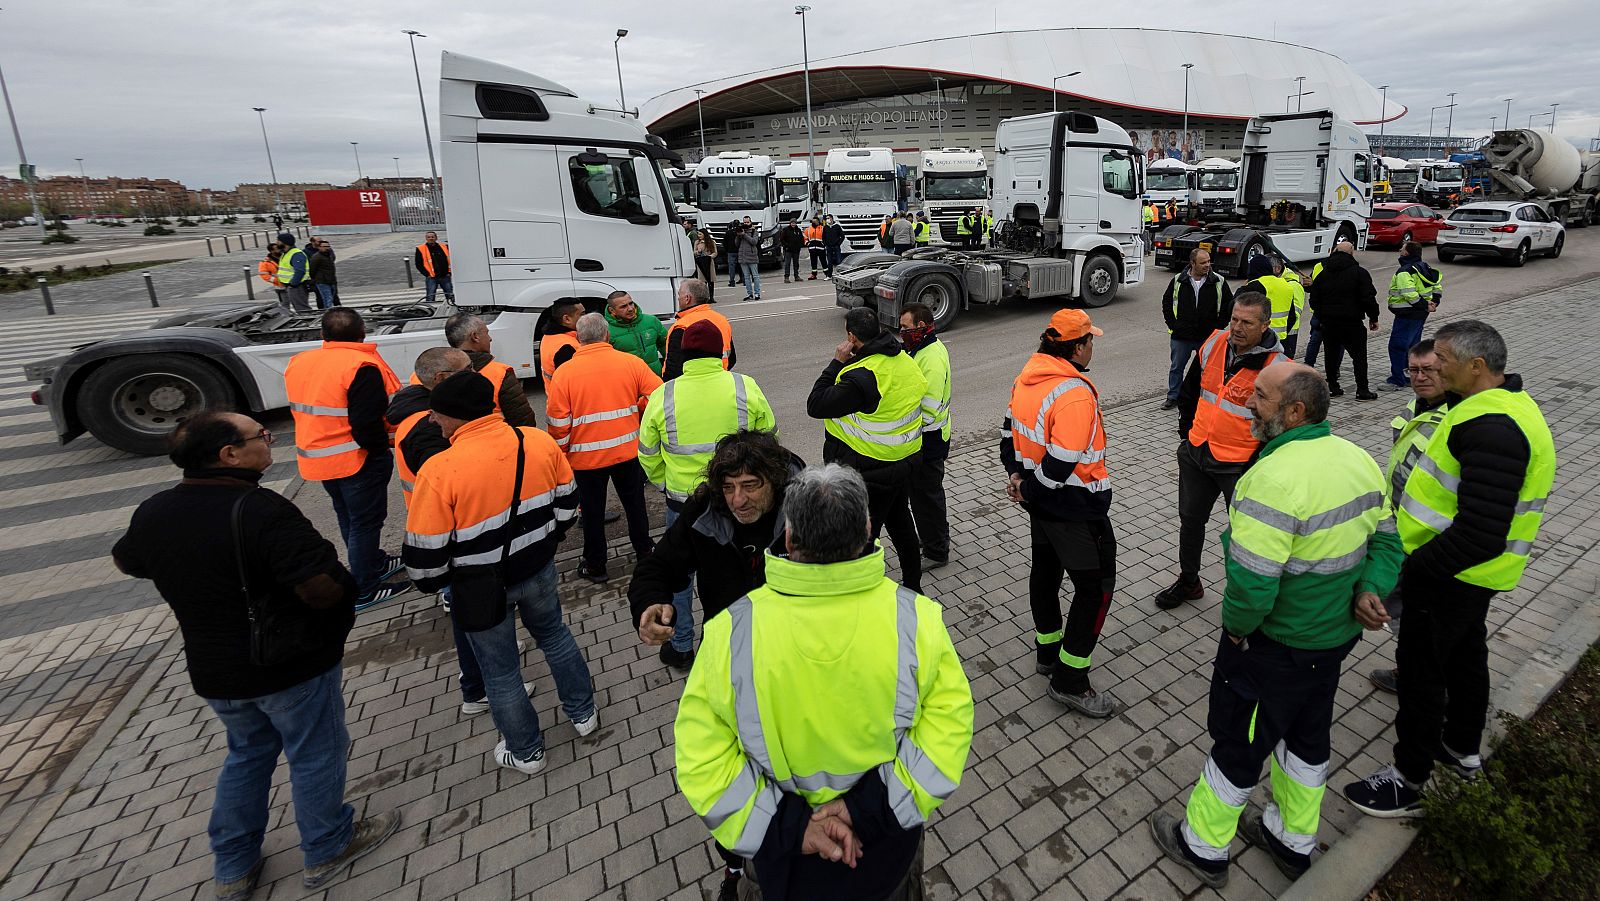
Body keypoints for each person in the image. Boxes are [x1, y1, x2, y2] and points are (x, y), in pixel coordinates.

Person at [112, 412, 400, 898]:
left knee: (246, 755)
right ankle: (328, 845)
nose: (269, 441)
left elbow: (128, 560)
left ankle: (234, 867)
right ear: (229, 454)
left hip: (215, 669)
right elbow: (321, 587)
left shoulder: (156, 510)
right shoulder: (261, 510)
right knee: (315, 752)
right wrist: (345, 602)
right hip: (287, 664)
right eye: (260, 436)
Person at [1151, 363, 1402, 888]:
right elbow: (1386, 539)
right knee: (1307, 740)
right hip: (1333, 642)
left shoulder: (1270, 480)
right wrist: (1370, 588)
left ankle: (1202, 847)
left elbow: (1252, 588)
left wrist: (1237, 631)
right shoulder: (1358, 459)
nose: (1248, 403)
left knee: (1239, 742)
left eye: (1260, 397)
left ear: (1294, 411)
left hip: (1274, 647)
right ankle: (1291, 840)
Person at [674, 464, 974, 901]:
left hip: (784, 869)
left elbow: (701, 757)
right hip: (885, 857)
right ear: (867, 530)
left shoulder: (731, 633)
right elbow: (949, 728)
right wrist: (868, 808)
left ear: (789, 537)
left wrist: (788, 827)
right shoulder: (916, 620)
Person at [1343, 320, 1555, 817]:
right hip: (1468, 578)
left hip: (1449, 577)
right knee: (1464, 660)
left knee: (1421, 676)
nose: (1433, 366)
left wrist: (1418, 570)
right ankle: (1461, 749)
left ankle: (1408, 781)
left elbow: (1481, 532)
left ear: (1476, 366)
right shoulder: (1494, 406)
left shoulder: (1492, 427)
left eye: (1442, 359)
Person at [402, 371, 599, 775]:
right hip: (538, 568)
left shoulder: (439, 471)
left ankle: (526, 752)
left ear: (455, 416)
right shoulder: (537, 441)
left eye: (436, 414)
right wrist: (543, 543)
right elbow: (568, 508)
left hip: (478, 587)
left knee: (501, 671)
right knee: (555, 637)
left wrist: (445, 585)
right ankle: (584, 714)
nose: (433, 421)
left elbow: (425, 562)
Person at [632, 430, 800, 898]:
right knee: (731, 769)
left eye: (750, 486)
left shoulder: (805, 507)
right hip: (727, 664)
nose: (738, 500)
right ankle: (736, 863)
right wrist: (649, 603)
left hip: (793, 666)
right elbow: (657, 566)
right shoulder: (705, 511)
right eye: (729, 487)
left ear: (774, 480)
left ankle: (792, 847)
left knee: (789, 767)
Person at [386, 348, 536, 715]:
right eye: (468, 369)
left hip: (464, 537)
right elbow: (456, 484)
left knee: (478, 613)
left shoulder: (422, 415)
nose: (476, 373)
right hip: (458, 542)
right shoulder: (427, 428)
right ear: (441, 380)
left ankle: (489, 661)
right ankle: (477, 688)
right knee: (470, 617)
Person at [1001, 308, 1121, 718]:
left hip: (1041, 506)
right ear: (1077, 347)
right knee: (1096, 587)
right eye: (1090, 341)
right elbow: (1062, 461)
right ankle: (1070, 681)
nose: (1092, 348)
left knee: (1046, 574)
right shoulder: (1073, 393)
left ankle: (1048, 653)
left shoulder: (1026, 377)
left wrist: (1018, 479)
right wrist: (1029, 488)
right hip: (1075, 508)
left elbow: (1007, 435)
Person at [638, 321, 777, 669]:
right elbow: (770, 438)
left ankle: (680, 642)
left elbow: (647, 452)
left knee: (679, 577)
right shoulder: (744, 385)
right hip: (741, 504)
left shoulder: (663, 395)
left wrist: (665, 484)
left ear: (684, 355)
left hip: (682, 501)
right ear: (721, 353)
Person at [1154, 292, 1285, 610]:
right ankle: (1189, 581)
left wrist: (1255, 464)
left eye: (1247, 322)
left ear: (1265, 325)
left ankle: (1247, 600)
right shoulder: (1214, 343)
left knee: (1246, 534)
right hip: (1197, 452)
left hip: (1240, 466)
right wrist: (1187, 436)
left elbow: (1279, 428)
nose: (1237, 328)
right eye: (1234, 319)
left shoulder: (1278, 368)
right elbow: (1190, 392)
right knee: (1190, 522)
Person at [284, 308, 405, 607]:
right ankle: (365, 587)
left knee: (348, 516)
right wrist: (380, 449)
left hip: (318, 458)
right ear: (362, 332)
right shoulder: (361, 366)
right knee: (366, 522)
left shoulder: (300, 361)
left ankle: (373, 563)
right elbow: (366, 422)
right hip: (356, 459)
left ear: (323, 334)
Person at [806, 307, 929, 593]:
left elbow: (816, 404)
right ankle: (913, 586)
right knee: (901, 523)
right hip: (903, 461)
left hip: (870, 470)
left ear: (851, 337)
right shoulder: (903, 359)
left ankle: (861, 592)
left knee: (862, 536)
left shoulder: (862, 376)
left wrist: (836, 362)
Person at [546, 313, 663, 582]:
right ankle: (645, 551)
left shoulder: (564, 373)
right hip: (627, 451)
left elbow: (558, 422)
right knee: (635, 505)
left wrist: (562, 453)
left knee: (592, 512)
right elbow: (658, 395)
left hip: (585, 459)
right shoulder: (630, 363)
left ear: (578, 338)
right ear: (607, 335)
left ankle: (596, 564)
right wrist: (637, 410)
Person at [1367, 339, 1450, 696]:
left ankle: (1425, 683)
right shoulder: (1419, 405)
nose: (1419, 377)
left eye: (1428, 370)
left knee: (1422, 615)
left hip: (1431, 538)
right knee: (1407, 609)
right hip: (1404, 526)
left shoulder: (1455, 418)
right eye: (1413, 370)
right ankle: (1413, 670)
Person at [898, 302, 951, 570]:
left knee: (928, 499)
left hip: (928, 440)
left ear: (920, 326)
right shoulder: (920, 348)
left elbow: (928, 411)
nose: (901, 332)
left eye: (905, 327)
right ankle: (931, 538)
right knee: (922, 497)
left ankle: (937, 551)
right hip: (926, 439)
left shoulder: (930, 358)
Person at [1161, 249, 1234, 410]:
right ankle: (1173, 397)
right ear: (1192, 263)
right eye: (1203, 262)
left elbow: (1228, 305)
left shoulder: (1218, 281)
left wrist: (1217, 327)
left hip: (1207, 337)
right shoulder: (1178, 280)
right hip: (1182, 336)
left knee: (1207, 369)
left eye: (1208, 261)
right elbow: (1167, 302)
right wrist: (1174, 325)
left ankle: (1202, 398)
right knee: (1176, 368)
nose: (1207, 265)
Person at [1310, 241, 1380, 400]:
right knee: (1359, 357)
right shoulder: (1359, 273)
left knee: (1331, 355)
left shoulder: (1323, 274)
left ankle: (1333, 387)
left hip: (1329, 323)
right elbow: (1368, 298)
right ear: (1351, 253)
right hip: (1352, 322)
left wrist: (1322, 316)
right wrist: (1373, 317)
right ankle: (1362, 390)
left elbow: (1314, 300)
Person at [443, 312, 535, 427]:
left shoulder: (433, 374)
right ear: (475, 337)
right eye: (486, 333)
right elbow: (523, 421)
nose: (490, 339)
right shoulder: (500, 373)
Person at [1382, 242, 1442, 390]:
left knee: (1397, 346)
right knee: (1413, 347)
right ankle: (1410, 376)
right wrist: (1433, 302)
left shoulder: (1405, 271)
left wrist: (1424, 305)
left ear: (1406, 253)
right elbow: (1437, 286)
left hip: (1407, 314)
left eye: (1402, 249)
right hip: (1420, 314)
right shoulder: (1425, 267)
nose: (1399, 250)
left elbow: (1408, 293)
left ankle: (1397, 380)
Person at [662, 278, 735, 381]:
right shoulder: (721, 320)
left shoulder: (682, 326)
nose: (678, 298)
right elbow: (731, 358)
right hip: (720, 380)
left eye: (679, 295)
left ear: (687, 298)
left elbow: (673, 370)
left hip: (691, 385)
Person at [1242, 254, 1301, 357]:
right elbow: (1292, 317)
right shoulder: (1286, 285)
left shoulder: (1255, 285)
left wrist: (1244, 287)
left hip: (1261, 341)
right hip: (1281, 340)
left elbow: (1235, 308)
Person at [605, 290, 668, 376]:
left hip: (656, 378)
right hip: (630, 380)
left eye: (631, 303)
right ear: (612, 310)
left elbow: (666, 345)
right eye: (623, 306)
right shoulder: (606, 331)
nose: (630, 309)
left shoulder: (651, 321)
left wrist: (671, 370)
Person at [539, 299, 584, 382]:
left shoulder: (548, 336)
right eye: (582, 314)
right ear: (567, 319)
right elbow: (574, 382)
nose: (586, 318)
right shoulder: (567, 348)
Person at [274, 232, 315, 313]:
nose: (276, 243)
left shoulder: (296, 254)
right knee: (299, 308)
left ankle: (308, 319)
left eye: (278, 241)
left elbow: (300, 271)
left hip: (297, 286)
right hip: (290, 286)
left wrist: (293, 284)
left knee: (302, 308)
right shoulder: (286, 253)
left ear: (285, 242)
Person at [414, 231, 454, 303]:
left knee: (450, 295)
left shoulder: (444, 247)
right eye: (428, 237)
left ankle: (452, 306)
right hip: (431, 277)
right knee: (430, 296)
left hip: (445, 276)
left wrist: (449, 272)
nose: (431, 238)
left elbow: (450, 259)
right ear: (426, 238)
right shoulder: (421, 248)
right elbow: (418, 264)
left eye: (432, 237)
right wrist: (427, 274)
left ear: (436, 238)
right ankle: (430, 308)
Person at [309, 239, 340, 310]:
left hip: (331, 280)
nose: (327, 248)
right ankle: (328, 312)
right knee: (327, 298)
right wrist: (316, 279)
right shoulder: (316, 257)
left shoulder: (329, 255)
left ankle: (330, 311)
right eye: (324, 246)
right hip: (322, 281)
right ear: (319, 247)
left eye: (328, 246)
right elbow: (312, 270)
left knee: (332, 297)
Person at [736, 218, 763, 300]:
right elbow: (736, 244)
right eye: (744, 222)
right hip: (743, 257)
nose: (746, 223)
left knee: (755, 276)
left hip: (752, 257)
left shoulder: (754, 231)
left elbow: (754, 242)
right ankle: (749, 294)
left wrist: (744, 235)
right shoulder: (741, 231)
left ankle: (757, 293)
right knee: (746, 277)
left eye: (747, 222)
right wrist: (738, 235)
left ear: (751, 222)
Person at [259, 244, 287, 312]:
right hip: (280, 286)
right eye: (277, 249)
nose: (280, 250)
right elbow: (264, 275)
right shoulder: (266, 262)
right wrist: (277, 280)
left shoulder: (285, 256)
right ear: (271, 251)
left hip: (292, 283)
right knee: (285, 304)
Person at [693, 225, 718, 298]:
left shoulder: (711, 242)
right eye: (698, 234)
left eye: (700, 234)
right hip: (700, 262)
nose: (699, 236)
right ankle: (704, 297)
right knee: (702, 280)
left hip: (709, 262)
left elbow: (715, 252)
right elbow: (694, 252)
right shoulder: (697, 242)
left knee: (710, 279)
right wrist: (698, 252)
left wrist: (710, 256)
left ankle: (711, 297)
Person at [725, 221, 745, 288]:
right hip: (740, 251)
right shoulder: (741, 232)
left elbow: (725, 242)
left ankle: (732, 281)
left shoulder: (728, 232)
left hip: (731, 251)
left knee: (731, 267)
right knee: (742, 266)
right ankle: (744, 280)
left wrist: (727, 250)